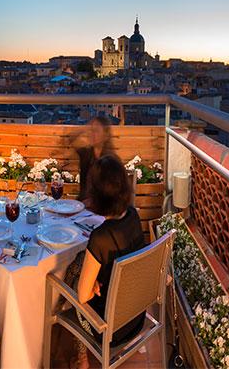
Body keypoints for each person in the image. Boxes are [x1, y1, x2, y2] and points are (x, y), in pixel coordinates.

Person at [63, 155, 145, 368]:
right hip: (135, 318)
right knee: (82, 262)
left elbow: (82, 296)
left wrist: (89, 286)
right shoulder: (133, 216)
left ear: (97, 194)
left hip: (109, 330)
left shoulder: (101, 237)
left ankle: (82, 360)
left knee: (71, 275)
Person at [75, 116, 115, 202]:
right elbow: (70, 140)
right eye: (91, 130)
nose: (91, 134)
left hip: (104, 207)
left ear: (105, 135)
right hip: (84, 204)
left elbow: (111, 194)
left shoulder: (110, 160)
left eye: (96, 131)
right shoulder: (86, 154)